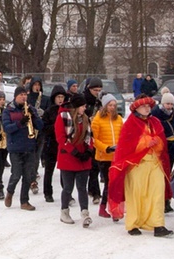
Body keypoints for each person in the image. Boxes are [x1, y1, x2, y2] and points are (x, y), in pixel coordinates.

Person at [108, 96, 173, 237]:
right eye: (144, 106)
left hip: (155, 163)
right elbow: (126, 146)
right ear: (136, 109)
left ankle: (158, 224)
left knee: (157, 193)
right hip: (136, 164)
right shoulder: (130, 124)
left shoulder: (155, 122)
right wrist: (145, 142)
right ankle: (133, 224)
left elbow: (163, 143)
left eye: (149, 106)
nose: (147, 108)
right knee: (136, 194)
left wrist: (158, 142)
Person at [2, 86, 45, 210]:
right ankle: (10, 192)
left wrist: (34, 116)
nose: (23, 97)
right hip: (15, 147)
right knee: (16, 174)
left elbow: (40, 126)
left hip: (29, 146)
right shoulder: (8, 110)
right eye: (21, 95)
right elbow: (7, 128)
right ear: (15, 96)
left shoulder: (30, 109)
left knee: (28, 175)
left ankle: (24, 201)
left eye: (25, 95)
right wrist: (20, 123)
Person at [55, 94, 95, 226]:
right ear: (77, 107)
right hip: (68, 158)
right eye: (83, 106)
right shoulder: (62, 118)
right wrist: (74, 152)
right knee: (68, 187)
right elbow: (61, 138)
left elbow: (90, 136)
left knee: (82, 187)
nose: (85, 108)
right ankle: (64, 211)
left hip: (83, 159)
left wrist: (89, 150)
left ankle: (85, 213)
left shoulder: (85, 119)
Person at [90, 93, 123, 219]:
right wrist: (106, 148)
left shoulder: (118, 119)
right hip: (104, 157)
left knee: (117, 184)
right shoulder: (97, 120)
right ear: (104, 106)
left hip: (117, 156)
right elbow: (94, 140)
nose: (112, 107)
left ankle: (115, 208)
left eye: (114, 105)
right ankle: (104, 207)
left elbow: (123, 135)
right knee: (109, 183)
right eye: (110, 105)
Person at [151, 92, 174, 213]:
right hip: (159, 146)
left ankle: (166, 200)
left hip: (170, 145)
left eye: (171, 104)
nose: (169, 106)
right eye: (167, 103)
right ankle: (158, 199)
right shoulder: (156, 114)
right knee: (158, 173)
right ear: (163, 103)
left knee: (167, 173)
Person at [40, 85, 67, 203]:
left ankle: (66, 192)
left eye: (62, 97)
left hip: (63, 145)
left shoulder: (67, 111)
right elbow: (44, 128)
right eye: (58, 97)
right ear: (54, 98)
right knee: (49, 170)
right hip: (51, 144)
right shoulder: (49, 111)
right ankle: (48, 193)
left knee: (65, 171)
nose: (60, 99)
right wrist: (57, 127)